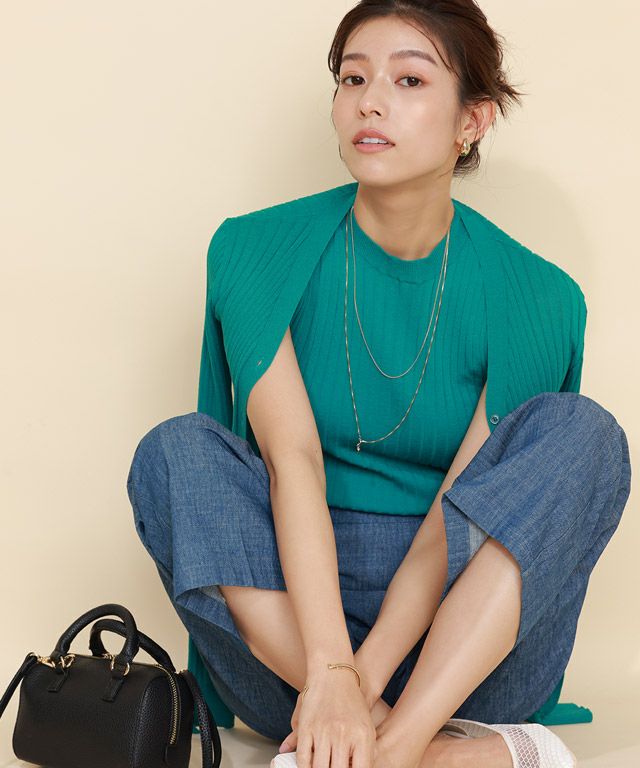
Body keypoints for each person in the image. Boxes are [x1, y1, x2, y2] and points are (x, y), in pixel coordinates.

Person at [126, 2, 631, 767]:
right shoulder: (255, 248)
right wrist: (332, 673)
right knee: (175, 451)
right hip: (291, 646)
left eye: (410, 80)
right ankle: (446, 755)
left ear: (472, 120)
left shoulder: (539, 295)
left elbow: (447, 531)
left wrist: (365, 693)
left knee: (586, 432)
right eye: (353, 78)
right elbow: (294, 460)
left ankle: (392, 749)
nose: (370, 102)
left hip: (465, 657)